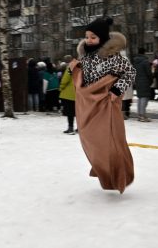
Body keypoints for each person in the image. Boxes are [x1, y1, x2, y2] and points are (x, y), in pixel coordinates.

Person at [72, 16, 136, 193]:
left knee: (111, 141)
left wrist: (116, 90)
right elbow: (82, 79)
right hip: (89, 108)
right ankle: (102, 169)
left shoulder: (114, 58)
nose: (88, 40)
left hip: (107, 106)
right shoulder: (85, 57)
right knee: (92, 141)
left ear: (103, 38)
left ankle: (118, 174)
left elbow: (130, 73)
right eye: (87, 36)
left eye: (93, 37)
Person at [132, 48, 153, 122]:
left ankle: (139, 115)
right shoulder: (145, 61)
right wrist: (151, 80)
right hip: (145, 82)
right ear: (144, 53)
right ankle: (142, 116)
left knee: (140, 98)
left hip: (138, 81)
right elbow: (149, 73)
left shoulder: (135, 62)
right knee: (144, 98)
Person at [59, 55, 77, 134]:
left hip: (69, 94)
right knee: (78, 113)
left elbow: (66, 78)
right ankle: (80, 127)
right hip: (79, 93)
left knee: (70, 112)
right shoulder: (81, 66)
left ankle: (70, 127)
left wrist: (61, 87)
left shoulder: (71, 67)